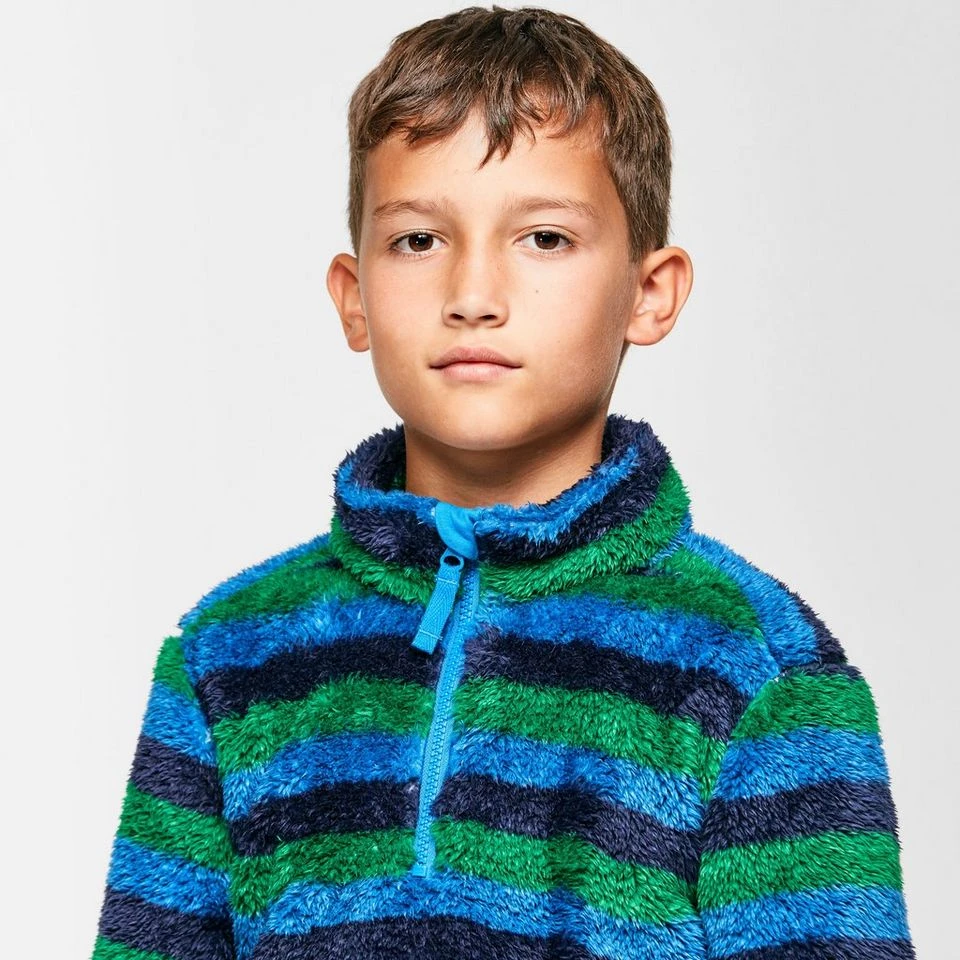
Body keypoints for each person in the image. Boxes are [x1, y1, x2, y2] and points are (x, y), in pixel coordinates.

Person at [91, 6, 916, 959]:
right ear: (354, 299)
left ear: (650, 293)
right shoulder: (225, 660)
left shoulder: (761, 670)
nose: (474, 296)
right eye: (418, 241)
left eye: (545, 238)